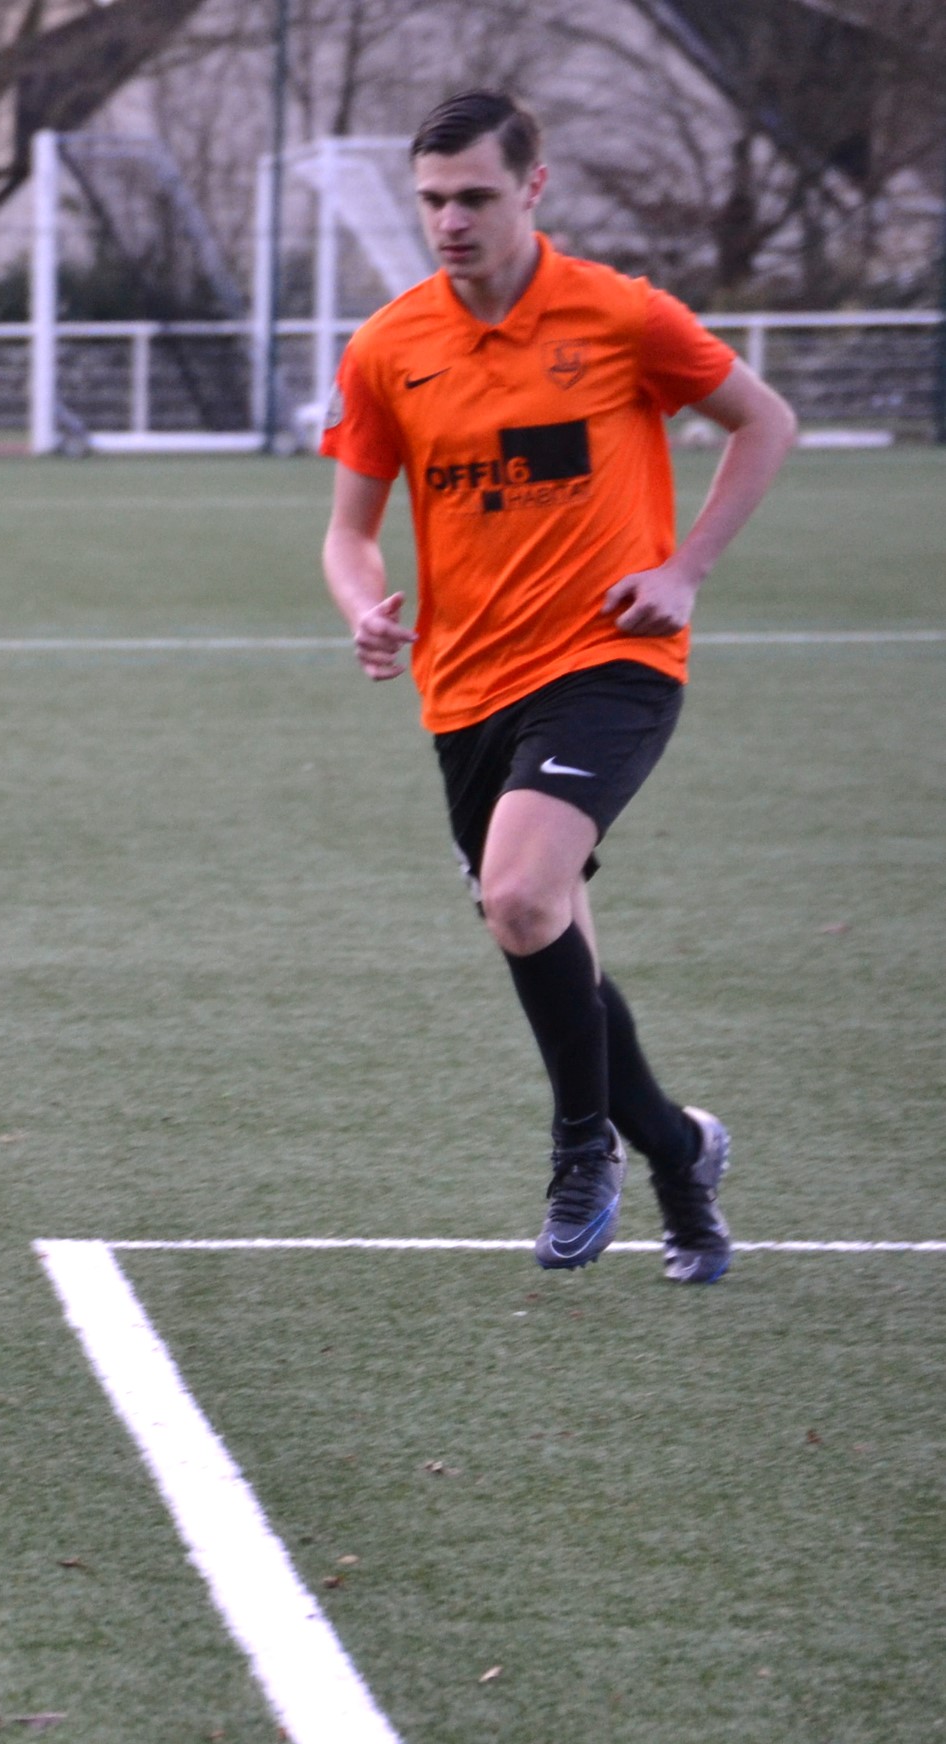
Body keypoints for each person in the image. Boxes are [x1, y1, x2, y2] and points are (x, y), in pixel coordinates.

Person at [319, 91, 796, 1281]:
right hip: (466, 688)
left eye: (474, 196)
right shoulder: (388, 346)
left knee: (522, 897)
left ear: (534, 188)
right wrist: (364, 605)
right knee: (551, 940)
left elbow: (765, 419)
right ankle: (683, 1157)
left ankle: (583, 1147)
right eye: (431, 200)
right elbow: (347, 533)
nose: (450, 221)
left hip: (609, 661)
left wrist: (687, 569)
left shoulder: (621, 314)